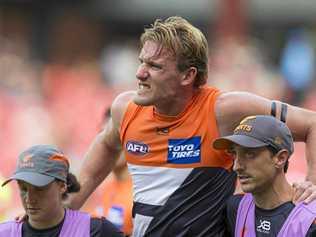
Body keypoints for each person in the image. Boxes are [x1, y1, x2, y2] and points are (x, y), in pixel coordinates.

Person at [68, 16, 316, 236]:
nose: (140, 73)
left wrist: (312, 184)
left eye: (154, 66)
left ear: (188, 76)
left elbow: (312, 123)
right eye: (141, 62)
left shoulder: (224, 109)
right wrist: (61, 216)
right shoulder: (125, 109)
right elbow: (104, 150)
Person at [213, 115, 316, 236]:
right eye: (234, 154)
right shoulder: (235, 208)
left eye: (249, 154)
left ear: (280, 158)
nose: (237, 167)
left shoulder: (310, 220)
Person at [0, 145, 123, 237]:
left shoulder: (96, 231)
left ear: (62, 186)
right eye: (24, 189)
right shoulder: (4, 233)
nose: (30, 198)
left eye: (39, 188)